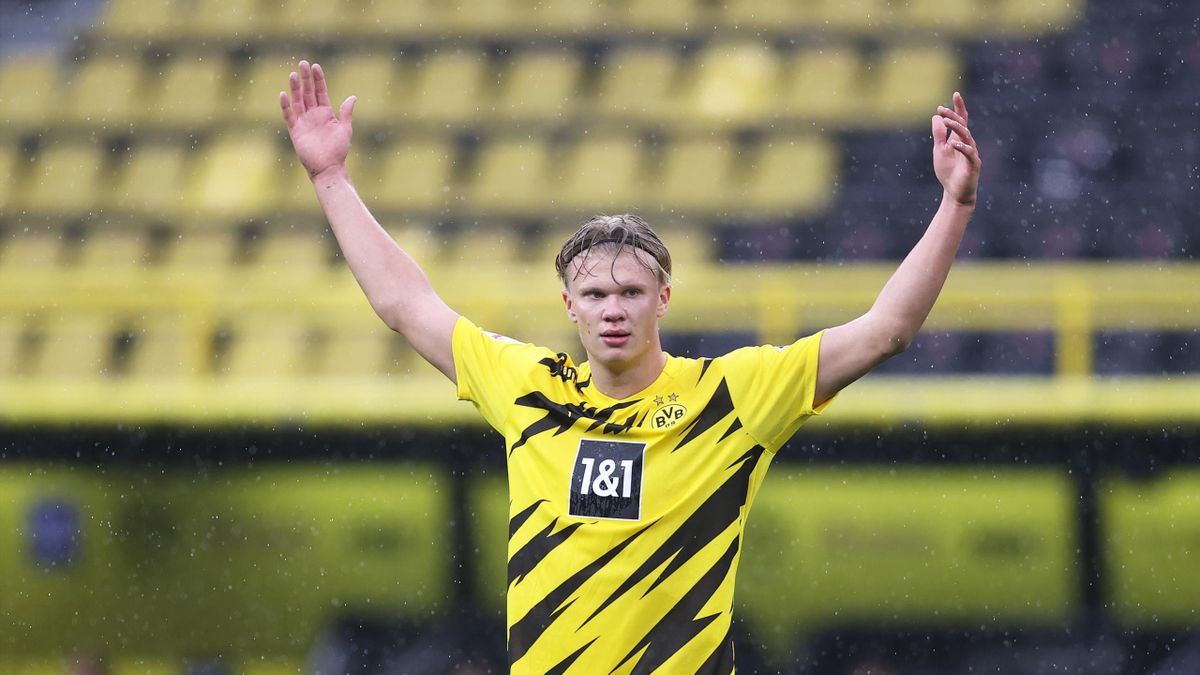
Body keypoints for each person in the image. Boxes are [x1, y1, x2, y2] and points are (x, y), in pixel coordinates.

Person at [281, 60, 981, 673]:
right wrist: (330, 177)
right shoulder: (528, 387)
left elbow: (886, 331)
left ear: (663, 299)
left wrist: (955, 203)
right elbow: (406, 304)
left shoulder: (732, 395)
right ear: (569, 305)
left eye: (631, 293)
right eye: (594, 295)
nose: (612, 309)